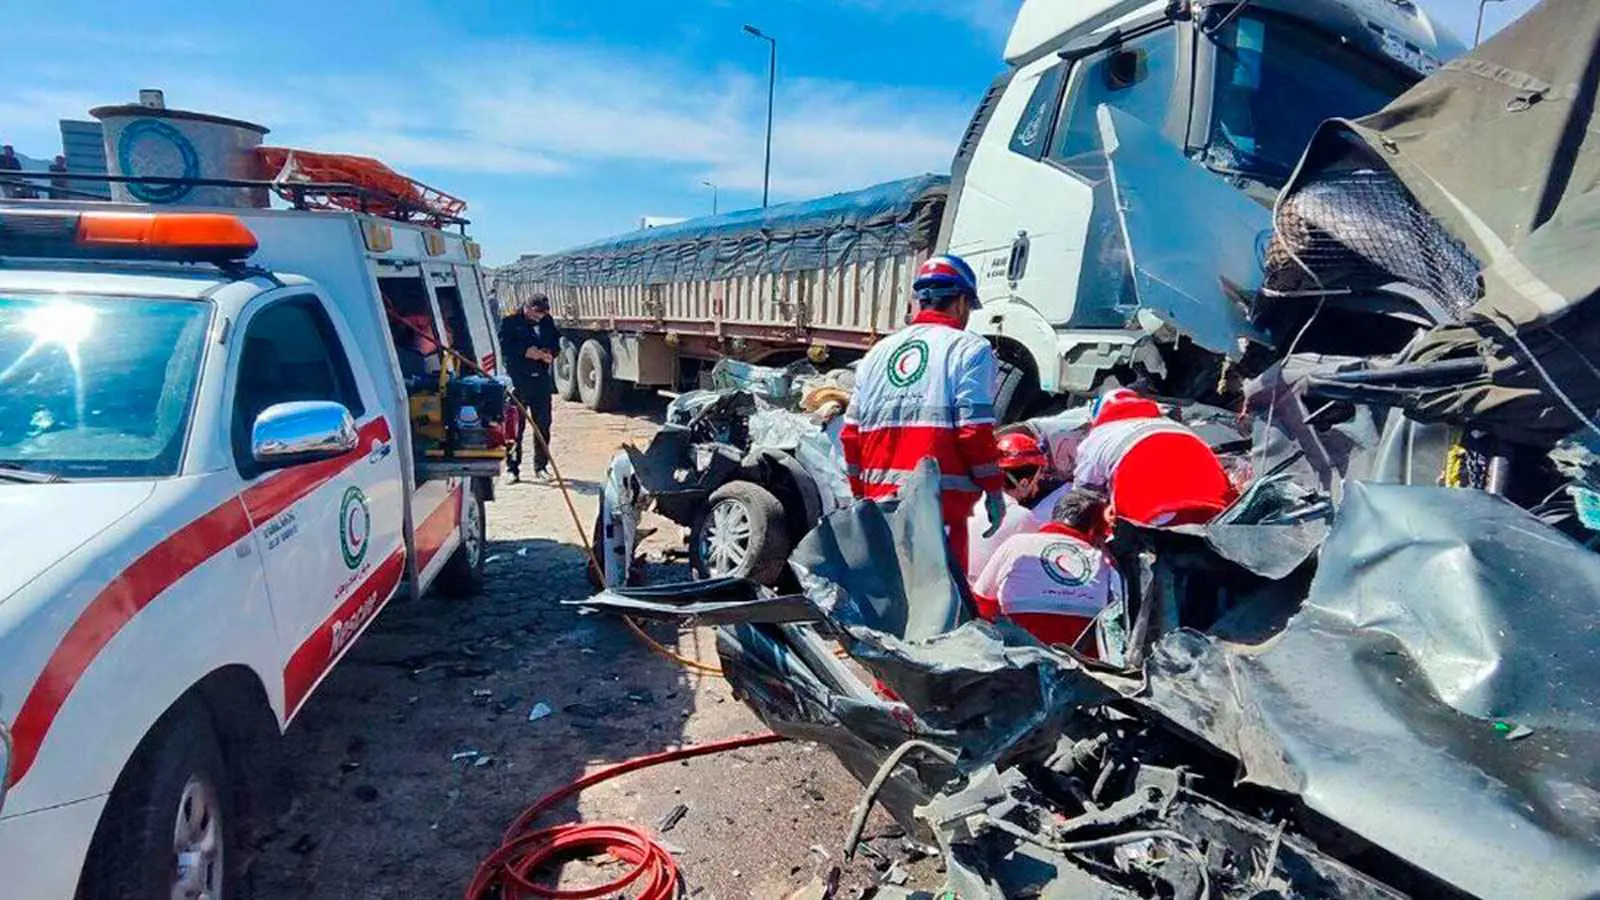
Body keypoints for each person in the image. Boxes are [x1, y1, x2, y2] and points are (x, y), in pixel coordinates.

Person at [841, 254, 1004, 573]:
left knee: (889, 593)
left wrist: (861, 494)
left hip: (881, 507)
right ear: (961, 302)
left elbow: (850, 436)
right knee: (940, 599)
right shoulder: (970, 349)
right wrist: (994, 488)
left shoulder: (876, 354)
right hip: (939, 510)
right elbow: (973, 431)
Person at [972, 487, 1123, 654]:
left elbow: (981, 601)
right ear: (1095, 530)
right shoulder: (1104, 560)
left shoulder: (1016, 544)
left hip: (1020, 654)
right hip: (1081, 659)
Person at [1073, 388, 1234, 526]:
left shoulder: (1097, 437)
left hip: (1153, 511)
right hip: (1216, 502)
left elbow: (1084, 496)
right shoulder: (1173, 426)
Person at [498, 295, 562, 482]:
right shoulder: (510, 322)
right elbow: (504, 347)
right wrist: (526, 352)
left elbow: (555, 342)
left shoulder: (546, 321)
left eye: (542, 314)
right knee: (515, 428)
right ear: (527, 308)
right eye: (536, 313)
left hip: (540, 381)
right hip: (518, 381)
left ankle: (541, 467)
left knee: (543, 425)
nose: (539, 317)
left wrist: (550, 353)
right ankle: (513, 468)